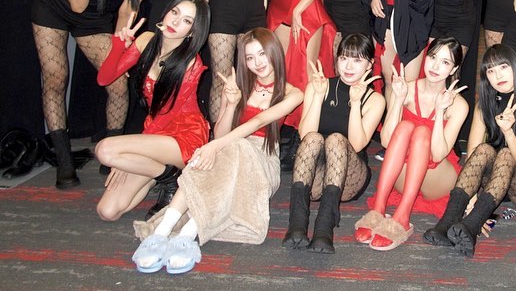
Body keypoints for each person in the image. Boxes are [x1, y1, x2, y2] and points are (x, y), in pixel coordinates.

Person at [130, 28, 303, 274]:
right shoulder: (236, 86)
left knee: (234, 147)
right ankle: (160, 234)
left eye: (262, 54)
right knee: (220, 157)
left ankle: (187, 235)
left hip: (261, 162)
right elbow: (221, 133)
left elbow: (258, 122)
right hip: (228, 149)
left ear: (275, 52)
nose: (257, 62)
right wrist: (231, 104)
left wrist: (212, 146)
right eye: (250, 57)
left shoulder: (293, 93)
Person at [31, 0, 158, 188]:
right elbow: (76, 5)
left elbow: (127, 9)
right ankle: (64, 160)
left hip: (97, 18)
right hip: (55, 7)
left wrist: (120, 50)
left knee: (118, 82)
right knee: (55, 77)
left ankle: (111, 154)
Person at [423, 44, 516, 257]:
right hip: (496, 182)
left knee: (507, 153)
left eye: (503, 67)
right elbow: (473, 153)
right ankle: (446, 222)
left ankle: (472, 225)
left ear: (515, 67)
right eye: (490, 71)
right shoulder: (485, 103)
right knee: (483, 149)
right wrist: (472, 196)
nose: (498, 75)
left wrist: (508, 132)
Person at [95, 0, 210, 220]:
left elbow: (168, 114)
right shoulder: (146, 40)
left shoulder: (191, 63)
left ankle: (168, 176)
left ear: (192, 32)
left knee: (105, 150)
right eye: (175, 12)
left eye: (187, 21)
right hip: (155, 133)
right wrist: (119, 45)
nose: (175, 22)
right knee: (107, 212)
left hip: (184, 138)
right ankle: (164, 174)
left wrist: (128, 152)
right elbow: (104, 78)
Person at [353, 38, 469, 251]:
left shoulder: (458, 104)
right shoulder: (404, 88)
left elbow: (438, 155)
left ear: (454, 69)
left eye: (445, 62)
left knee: (422, 132)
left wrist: (440, 110)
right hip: (405, 170)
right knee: (406, 126)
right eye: (433, 57)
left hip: (437, 177)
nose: (435, 66)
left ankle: (403, 216)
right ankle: (378, 209)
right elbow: (386, 141)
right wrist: (398, 99)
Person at [282, 33, 385, 253]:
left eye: (357, 60)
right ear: (336, 60)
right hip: (314, 176)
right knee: (314, 138)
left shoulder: (375, 100)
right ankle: (296, 224)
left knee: (337, 139)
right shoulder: (318, 85)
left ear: (369, 64)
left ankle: (324, 229)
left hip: (348, 178)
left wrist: (355, 103)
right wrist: (318, 97)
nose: (348, 66)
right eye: (344, 58)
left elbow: (356, 145)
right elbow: (306, 135)